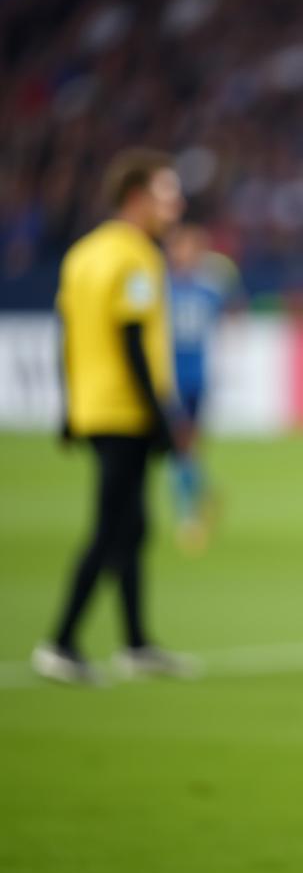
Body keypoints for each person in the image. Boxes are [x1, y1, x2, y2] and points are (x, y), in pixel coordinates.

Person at [32, 149, 196, 685]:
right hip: (126, 410)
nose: (175, 204)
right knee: (110, 527)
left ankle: (135, 643)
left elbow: (68, 335)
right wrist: (160, 419)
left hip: (94, 406)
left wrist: (68, 407)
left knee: (132, 524)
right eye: (166, 193)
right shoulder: (135, 256)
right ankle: (60, 642)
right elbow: (130, 341)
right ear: (136, 198)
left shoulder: (83, 254)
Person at [166, 223, 243, 551]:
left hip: (197, 378)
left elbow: (234, 308)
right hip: (169, 381)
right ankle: (190, 514)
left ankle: (199, 496)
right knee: (179, 446)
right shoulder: (160, 286)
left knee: (190, 445)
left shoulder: (207, 288)